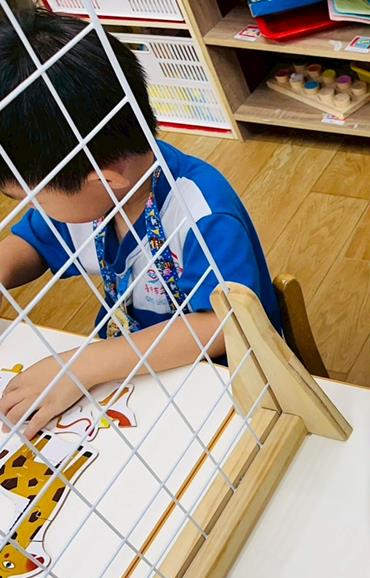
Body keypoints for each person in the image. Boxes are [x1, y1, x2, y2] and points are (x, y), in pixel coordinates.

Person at [0, 8, 280, 437]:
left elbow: (222, 326)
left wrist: (85, 364)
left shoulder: (202, 213)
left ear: (104, 181)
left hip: (221, 384)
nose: (34, 210)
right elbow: (31, 244)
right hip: (128, 369)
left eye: (33, 198)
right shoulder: (90, 197)